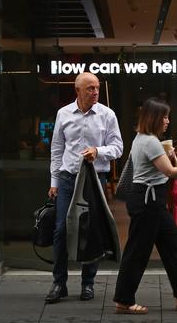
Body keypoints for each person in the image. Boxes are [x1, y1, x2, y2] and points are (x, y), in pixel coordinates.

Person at [113, 97, 177, 315]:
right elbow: (170, 173)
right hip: (147, 201)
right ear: (155, 118)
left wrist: (171, 157)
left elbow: (166, 168)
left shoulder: (144, 139)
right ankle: (123, 301)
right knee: (137, 252)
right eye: (165, 117)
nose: (168, 121)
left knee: (173, 245)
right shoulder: (149, 141)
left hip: (153, 201)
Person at [45, 72, 123, 304]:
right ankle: (59, 282)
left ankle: (88, 283)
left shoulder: (107, 115)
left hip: (94, 180)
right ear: (77, 91)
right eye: (90, 88)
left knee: (91, 231)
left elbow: (118, 147)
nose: (95, 92)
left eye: (97, 88)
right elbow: (57, 148)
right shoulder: (64, 113)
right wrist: (54, 182)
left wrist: (98, 151)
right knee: (60, 231)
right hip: (68, 179)